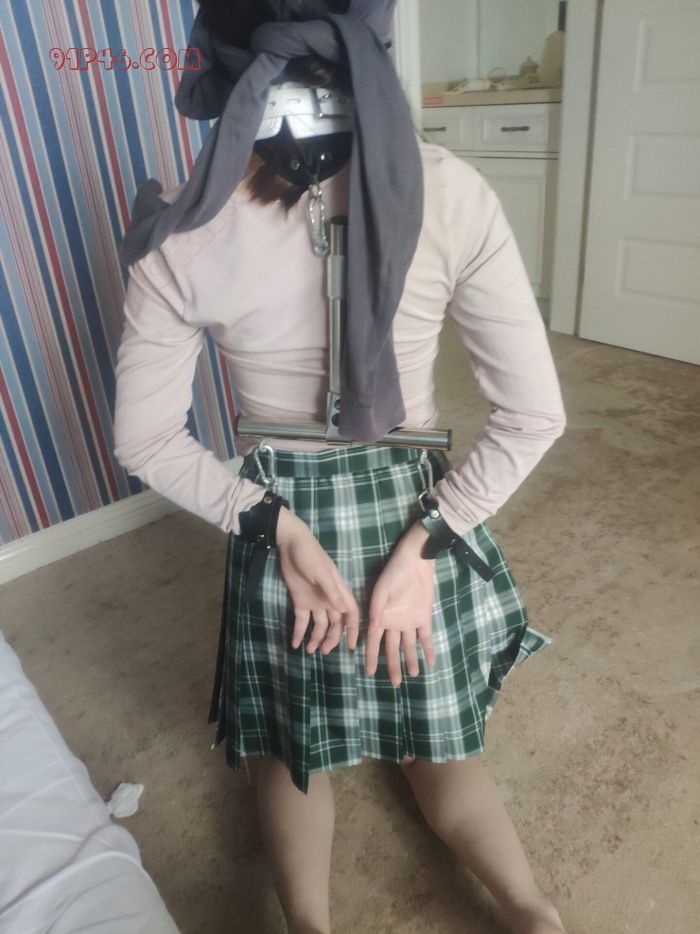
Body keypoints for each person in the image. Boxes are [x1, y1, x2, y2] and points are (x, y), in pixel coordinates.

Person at [112, 2, 568, 932]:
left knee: (292, 755)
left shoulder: (186, 228)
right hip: (417, 511)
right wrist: (425, 548)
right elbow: (535, 417)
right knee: (440, 747)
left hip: (281, 518)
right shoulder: (452, 191)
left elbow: (144, 440)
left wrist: (275, 526)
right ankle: (534, 912)